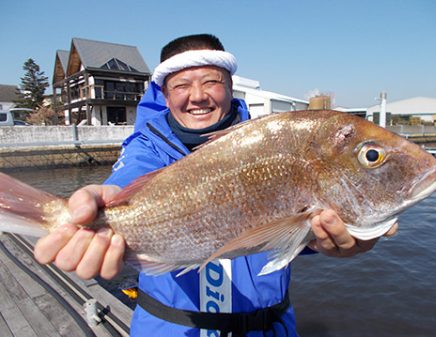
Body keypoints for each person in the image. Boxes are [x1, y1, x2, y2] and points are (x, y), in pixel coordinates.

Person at [34, 34, 397, 336]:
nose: (198, 95)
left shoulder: (269, 144)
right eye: (181, 85)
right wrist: (104, 206)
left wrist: (334, 240)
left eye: (211, 82)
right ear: (163, 94)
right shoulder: (145, 146)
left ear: (228, 88)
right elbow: (128, 178)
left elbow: (292, 232)